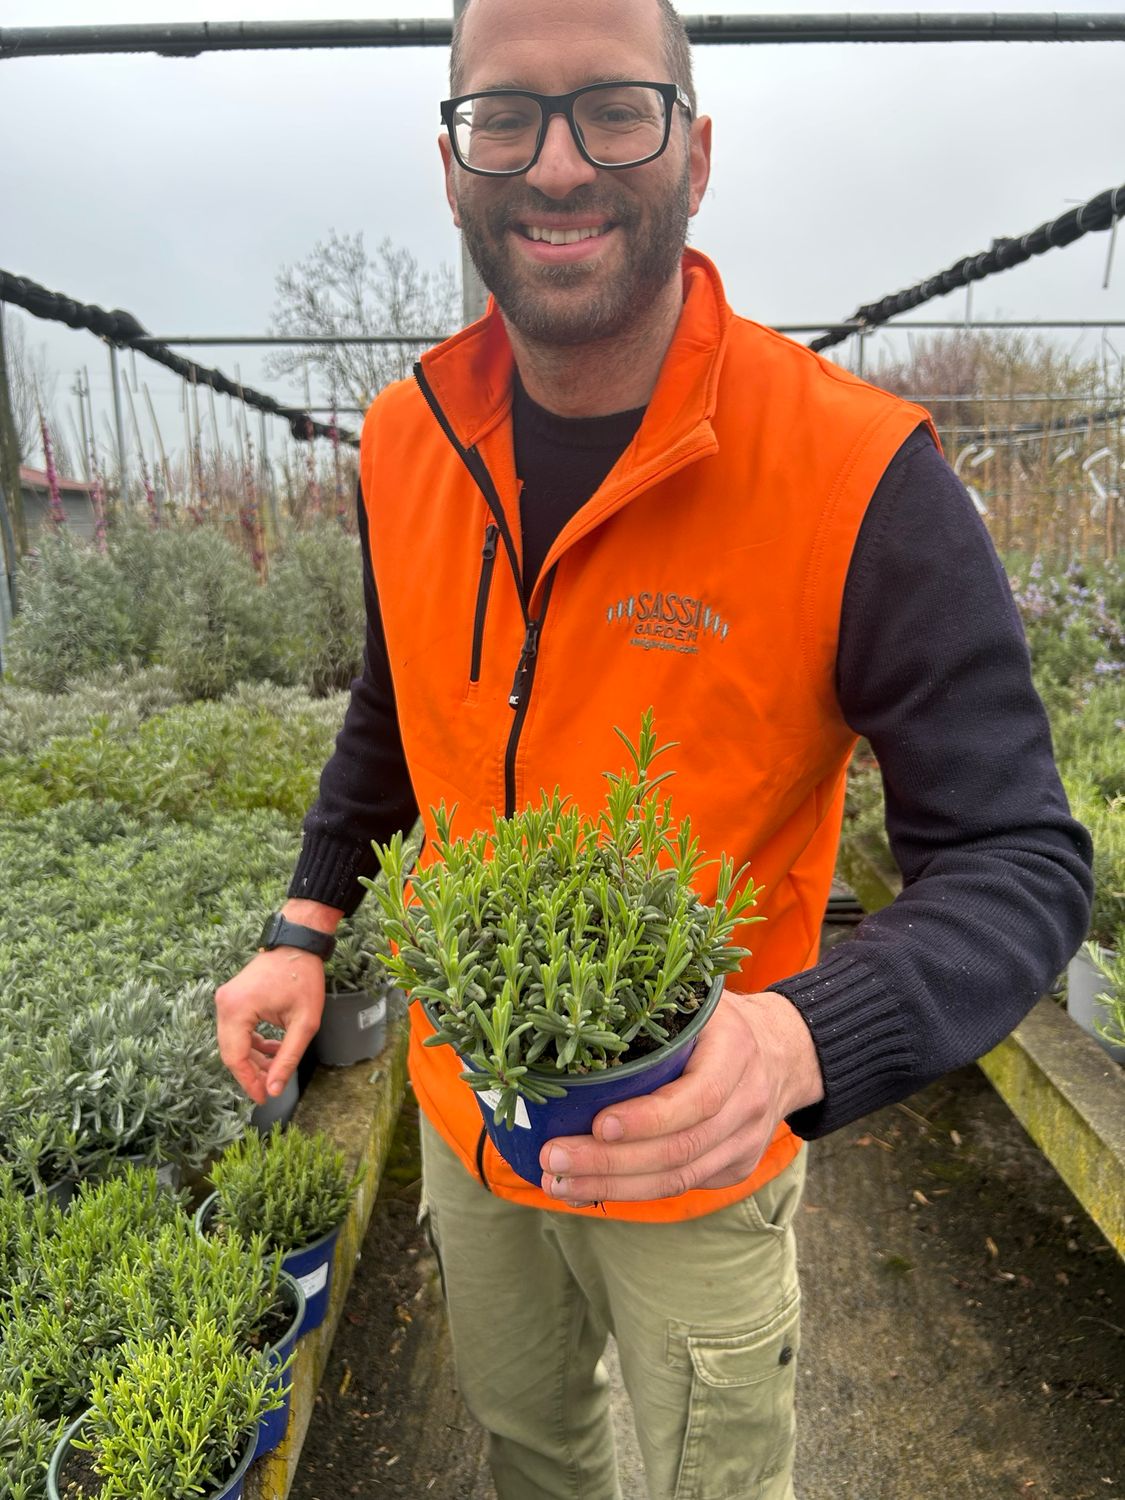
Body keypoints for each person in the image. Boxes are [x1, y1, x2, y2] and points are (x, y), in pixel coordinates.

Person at [215, 1, 1093, 1495]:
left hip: (700, 1137)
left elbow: (1017, 857)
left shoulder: (853, 470)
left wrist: (798, 1042)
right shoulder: (404, 438)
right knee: (527, 1443)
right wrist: (304, 927)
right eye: (504, 117)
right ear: (450, 163)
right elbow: (394, 705)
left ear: (695, 146)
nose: (556, 164)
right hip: (464, 1108)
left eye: (614, 108)